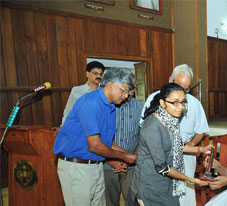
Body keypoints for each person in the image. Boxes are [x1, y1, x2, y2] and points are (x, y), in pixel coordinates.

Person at [53, 68, 136, 206]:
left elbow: (107, 142)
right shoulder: (90, 103)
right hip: (77, 167)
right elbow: (95, 145)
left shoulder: (110, 107)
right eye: (124, 90)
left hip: (95, 167)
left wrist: (129, 155)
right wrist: (123, 156)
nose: (126, 96)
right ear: (110, 85)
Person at [126, 83, 213, 206]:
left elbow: (176, 145)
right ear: (163, 103)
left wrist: (202, 149)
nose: (180, 107)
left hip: (166, 184)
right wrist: (190, 180)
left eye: (183, 102)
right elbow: (162, 167)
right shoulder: (152, 126)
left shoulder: (171, 120)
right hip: (149, 186)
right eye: (175, 102)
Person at [103, 72, 143, 206]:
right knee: (109, 202)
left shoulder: (139, 107)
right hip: (107, 166)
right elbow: (99, 139)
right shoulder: (106, 106)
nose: (129, 93)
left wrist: (133, 158)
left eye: (132, 89)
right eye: (126, 89)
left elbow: (143, 135)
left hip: (131, 167)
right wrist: (111, 160)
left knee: (132, 201)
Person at [61, 61, 105, 125]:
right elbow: (68, 111)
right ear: (87, 74)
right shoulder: (77, 90)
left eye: (101, 74)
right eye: (95, 73)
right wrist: (63, 126)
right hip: (80, 126)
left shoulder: (104, 91)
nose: (99, 76)